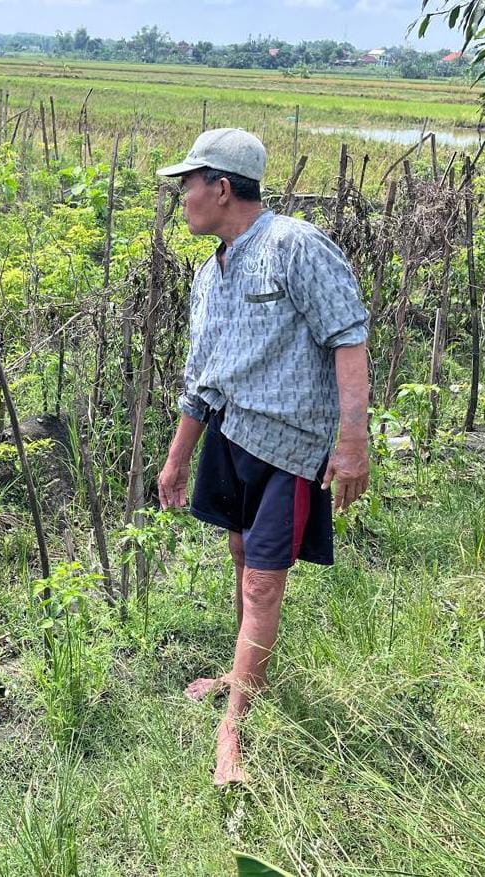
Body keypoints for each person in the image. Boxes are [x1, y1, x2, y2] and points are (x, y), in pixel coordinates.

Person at [155, 129, 371, 786]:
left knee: (262, 581)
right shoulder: (210, 272)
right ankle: (241, 674)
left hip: (289, 445)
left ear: (221, 187)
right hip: (231, 435)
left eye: (188, 185)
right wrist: (177, 459)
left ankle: (234, 730)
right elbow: (201, 378)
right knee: (241, 556)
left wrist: (352, 443)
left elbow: (348, 337)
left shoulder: (294, 246)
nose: (182, 198)